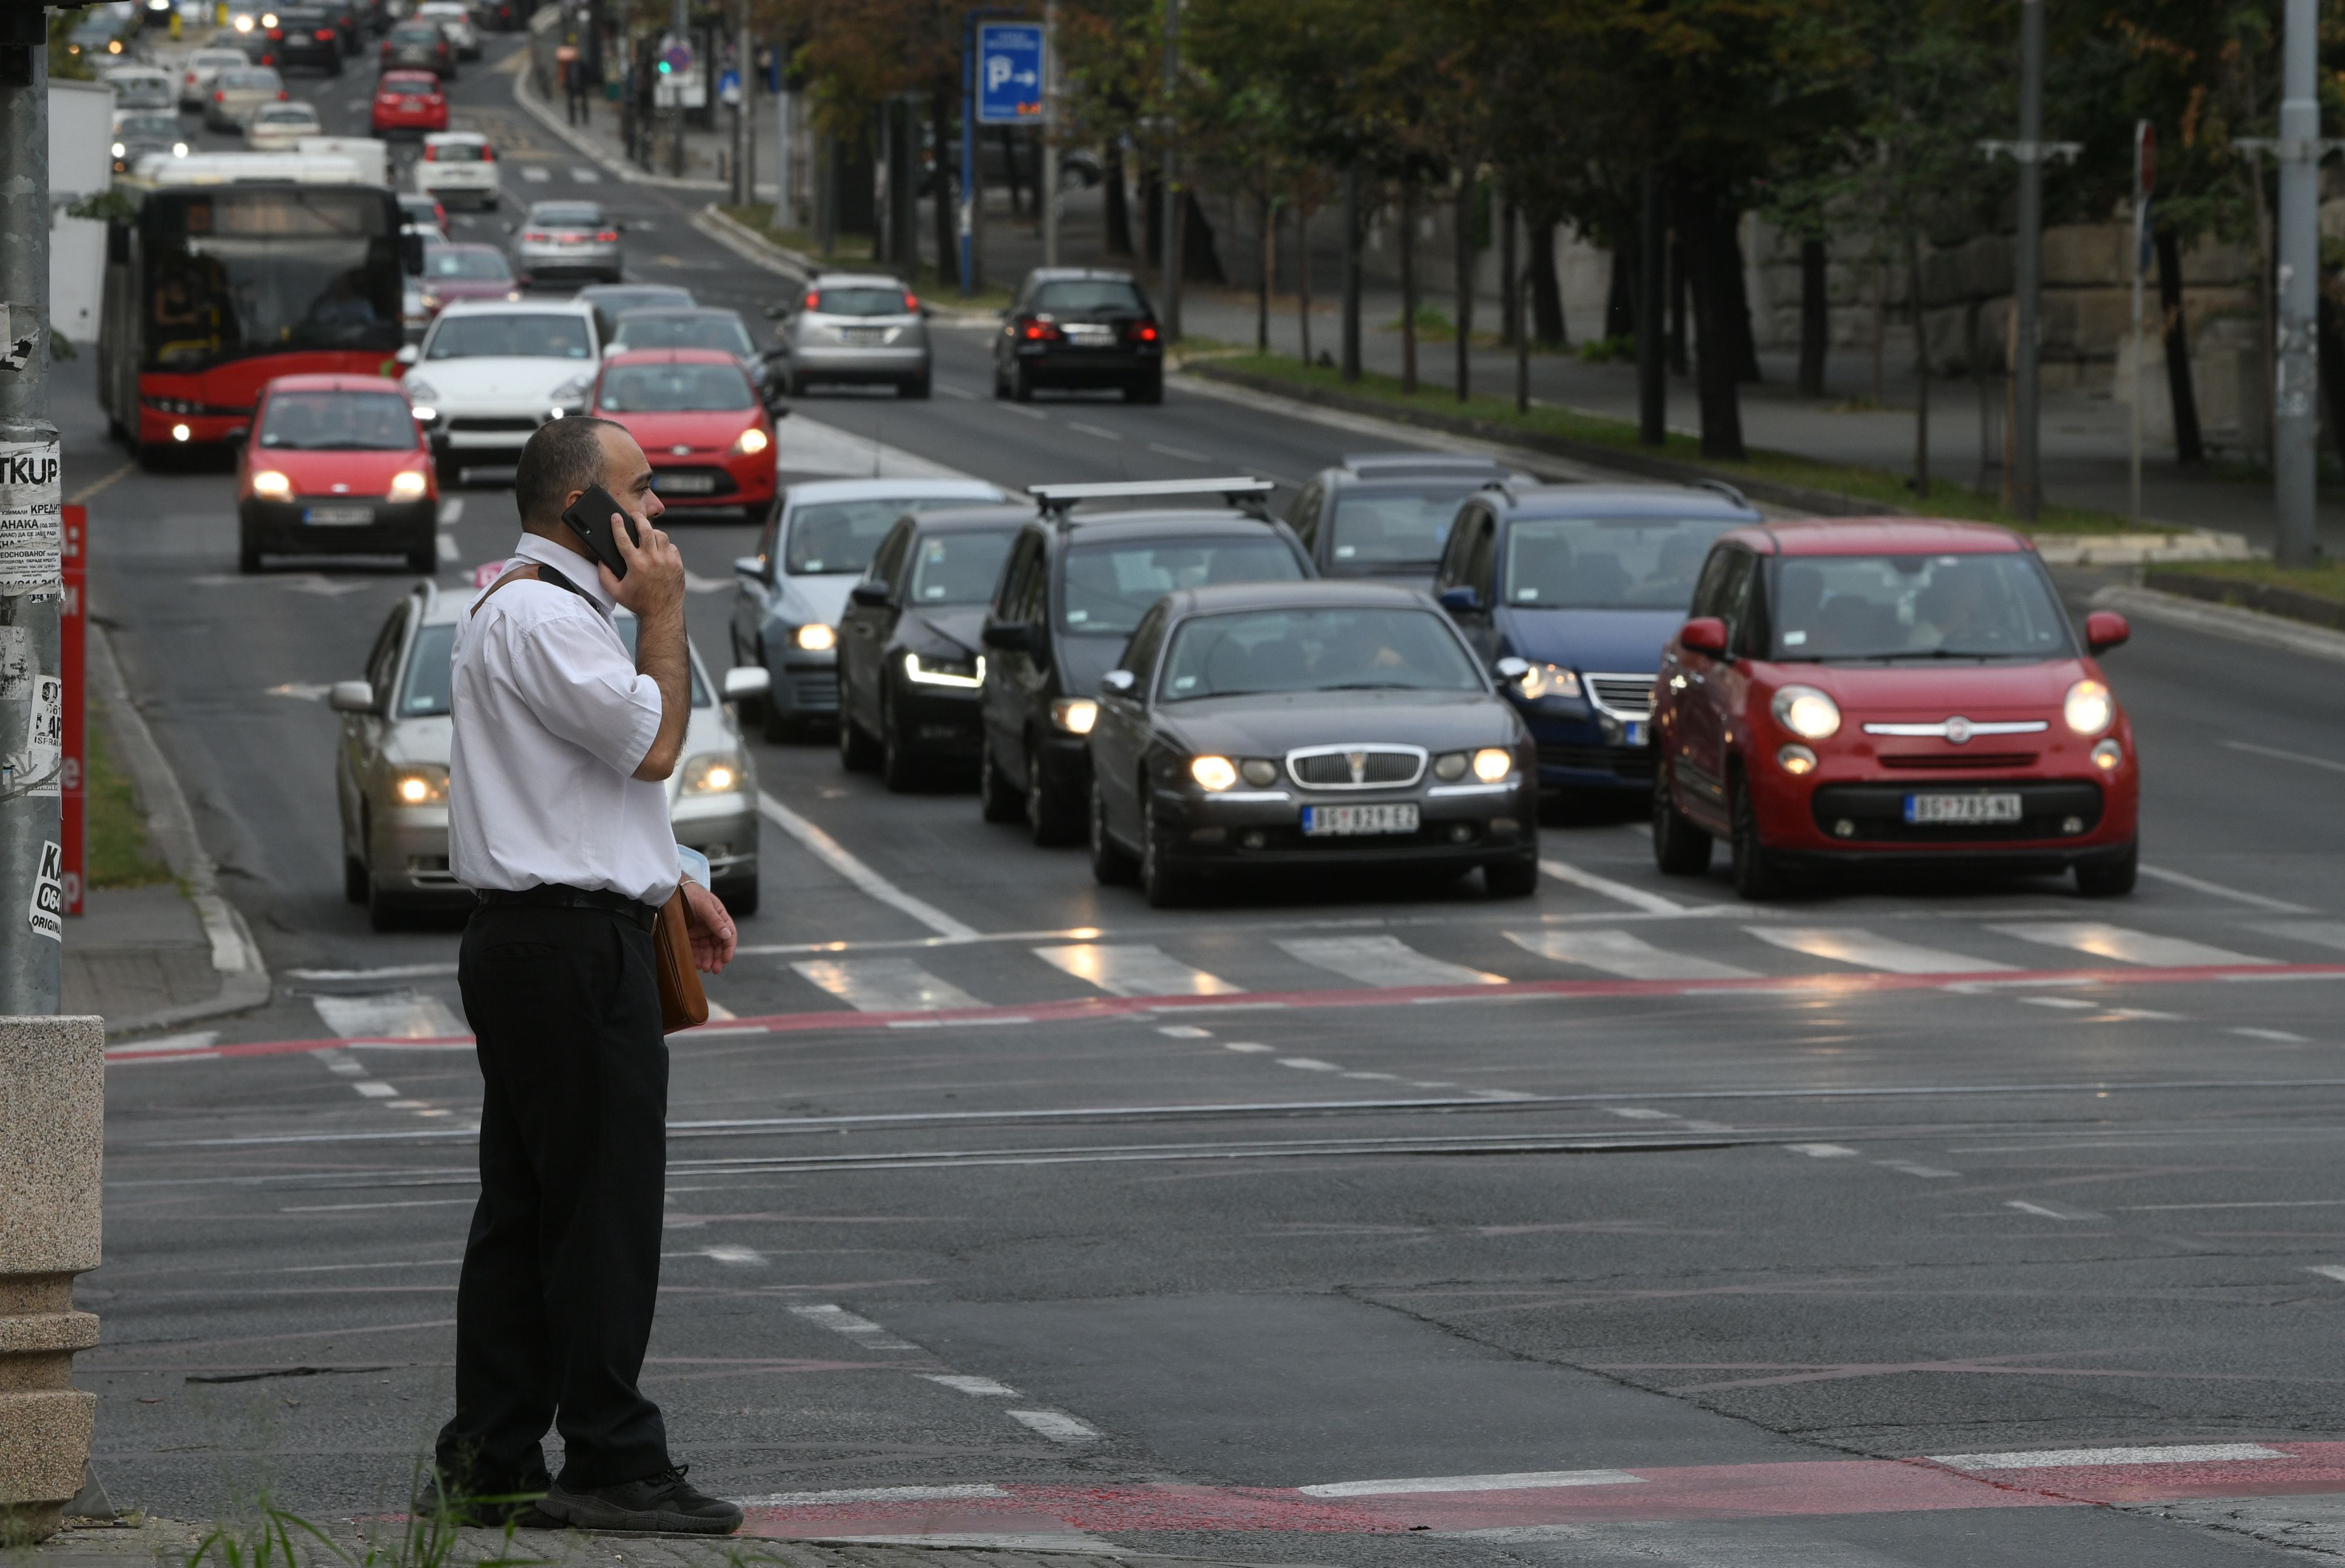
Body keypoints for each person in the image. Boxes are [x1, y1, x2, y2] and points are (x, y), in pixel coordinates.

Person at [423, 415, 743, 1535]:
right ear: (584, 511)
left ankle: (493, 1455)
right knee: (602, 1210)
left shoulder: (542, 614)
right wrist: (667, 611)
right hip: (564, 949)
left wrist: (673, 876)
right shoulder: (548, 615)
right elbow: (651, 747)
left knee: (528, 1210)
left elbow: (589, 796)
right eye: (643, 494)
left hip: (543, 936)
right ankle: (611, 1455)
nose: (660, 515)